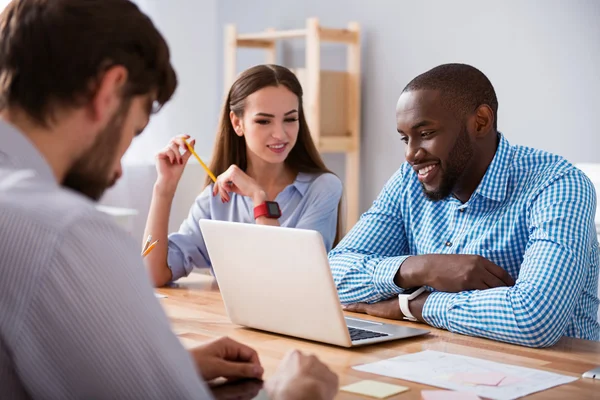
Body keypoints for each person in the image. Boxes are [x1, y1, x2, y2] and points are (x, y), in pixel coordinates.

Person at [0, 1, 338, 399]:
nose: (118, 170)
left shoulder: (27, 218)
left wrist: (176, 364)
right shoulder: (65, 233)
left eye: (290, 117)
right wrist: (288, 395)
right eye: (137, 125)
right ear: (109, 92)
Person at [329, 63, 600, 348]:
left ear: (480, 122)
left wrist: (412, 306)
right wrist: (423, 268)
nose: (411, 154)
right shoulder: (409, 181)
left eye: (426, 134)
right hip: (439, 362)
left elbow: (534, 318)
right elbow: (333, 276)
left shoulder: (558, 185)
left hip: (558, 375)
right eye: (405, 138)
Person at [143, 64, 343, 287]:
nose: (280, 134)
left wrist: (260, 199)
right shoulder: (215, 199)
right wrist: (164, 189)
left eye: (290, 119)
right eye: (264, 121)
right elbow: (153, 274)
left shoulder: (323, 188)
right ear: (237, 123)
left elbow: (283, 282)